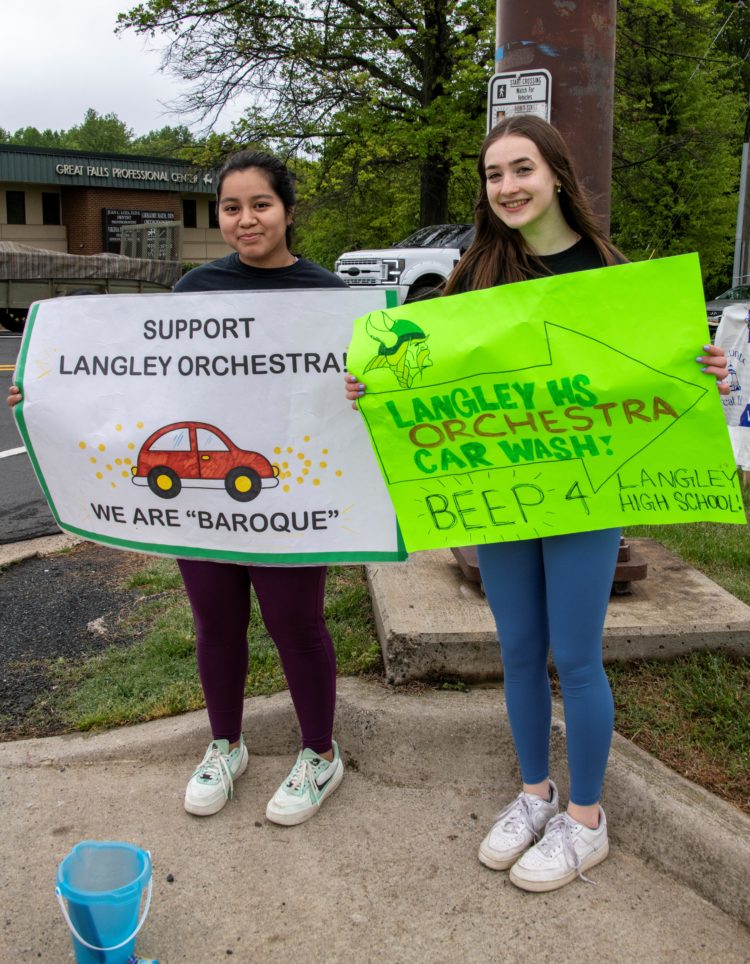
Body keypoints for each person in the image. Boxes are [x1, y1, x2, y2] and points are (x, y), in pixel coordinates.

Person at [345, 115, 729, 892]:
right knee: (518, 649)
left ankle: (586, 819)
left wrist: (705, 371)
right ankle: (533, 794)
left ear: (556, 173)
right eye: (494, 176)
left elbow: (658, 379)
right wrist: (373, 388)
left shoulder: (617, 277)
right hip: (501, 494)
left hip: (586, 495)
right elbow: (422, 374)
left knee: (577, 656)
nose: (508, 187)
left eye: (521, 169)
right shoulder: (473, 275)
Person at [9, 151, 348, 826]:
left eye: (261, 204)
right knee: (216, 624)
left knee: (296, 625)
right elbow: (146, 379)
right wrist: (43, 390)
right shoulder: (195, 287)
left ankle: (319, 754)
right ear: (218, 214)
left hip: (288, 501)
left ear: (287, 210)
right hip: (202, 504)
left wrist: (364, 390)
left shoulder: (332, 297)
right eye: (231, 207)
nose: (246, 219)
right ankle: (225, 744)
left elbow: (353, 395)